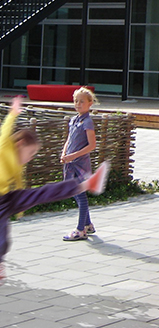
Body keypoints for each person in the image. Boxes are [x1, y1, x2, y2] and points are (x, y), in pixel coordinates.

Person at [0, 97, 109, 279]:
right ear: (20, 145)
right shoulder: (4, 146)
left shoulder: (18, 164)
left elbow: (19, 184)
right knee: (2, 235)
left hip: (5, 198)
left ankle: (86, 184)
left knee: (42, 193)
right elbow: (5, 129)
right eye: (31, 153)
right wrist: (13, 112)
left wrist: (21, 208)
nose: (30, 158)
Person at [60, 87, 98, 241]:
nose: (78, 104)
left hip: (80, 166)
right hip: (70, 163)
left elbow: (91, 145)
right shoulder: (74, 119)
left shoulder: (88, 122)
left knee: (80, 196)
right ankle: (88, 224)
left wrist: (73, 156)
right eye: (76, 101)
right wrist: (64, 153)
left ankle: (81, 229)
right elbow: (69, 139)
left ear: (90, 103)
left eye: (82, 101)